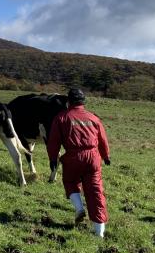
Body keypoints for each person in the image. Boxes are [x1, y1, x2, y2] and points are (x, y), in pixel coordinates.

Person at [47, 88, 110, 238]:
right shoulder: (94, 118)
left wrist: (53, 159)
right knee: (95, 192)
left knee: (70, 181)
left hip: (73, 157)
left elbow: (53, 142)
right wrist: (106, 156)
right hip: (93, 158)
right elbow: (102, 139)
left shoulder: (61, 117)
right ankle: (99, 232)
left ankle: (79, 208)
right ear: (83, 102)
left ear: (68, 101)